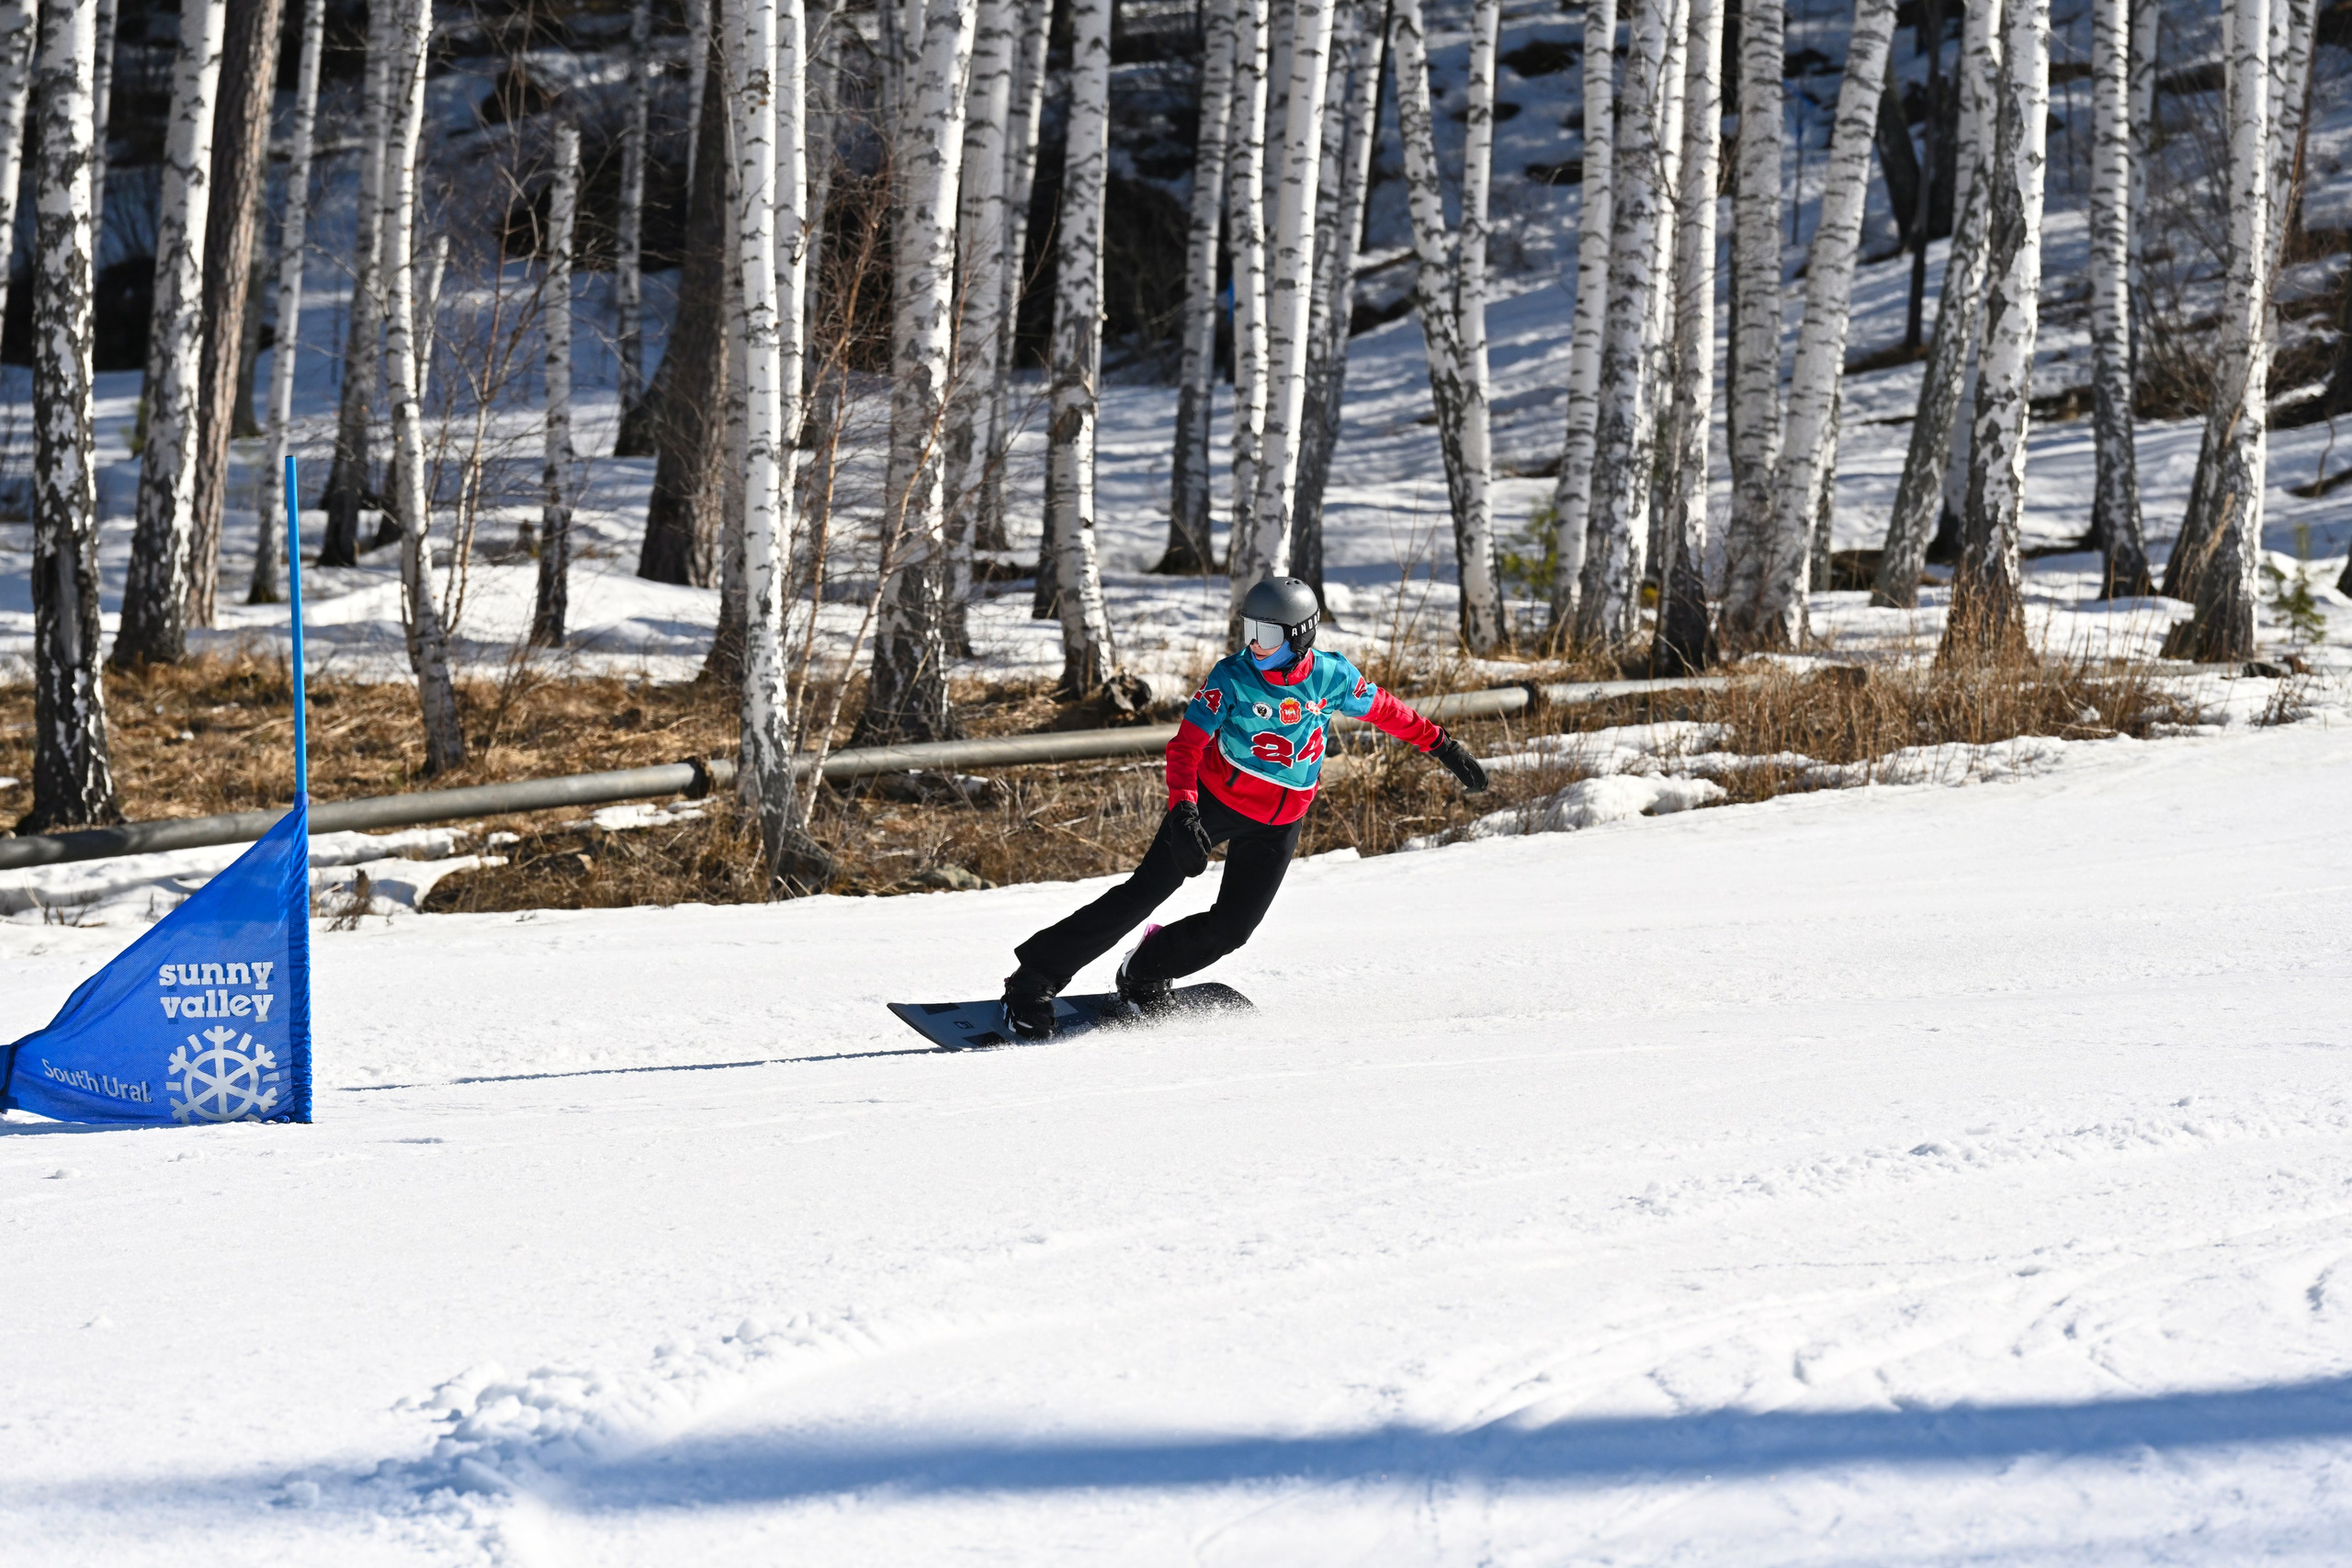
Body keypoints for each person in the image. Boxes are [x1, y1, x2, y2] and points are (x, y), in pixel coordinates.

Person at [1001, 576, 1489, 1037]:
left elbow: (1387, 711)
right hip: (1215, 803)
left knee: (1234, 928)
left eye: (1268, 635)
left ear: (1300, 637)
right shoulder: (1232, 677)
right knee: (1142, 894)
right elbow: (1185, 747)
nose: (1255, 645)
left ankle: (1146, 972)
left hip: (1280, 821)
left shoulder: (1332, 676)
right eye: (1250, 631)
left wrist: (1443, 747)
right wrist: (1184, 811)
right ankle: (1032, 982)